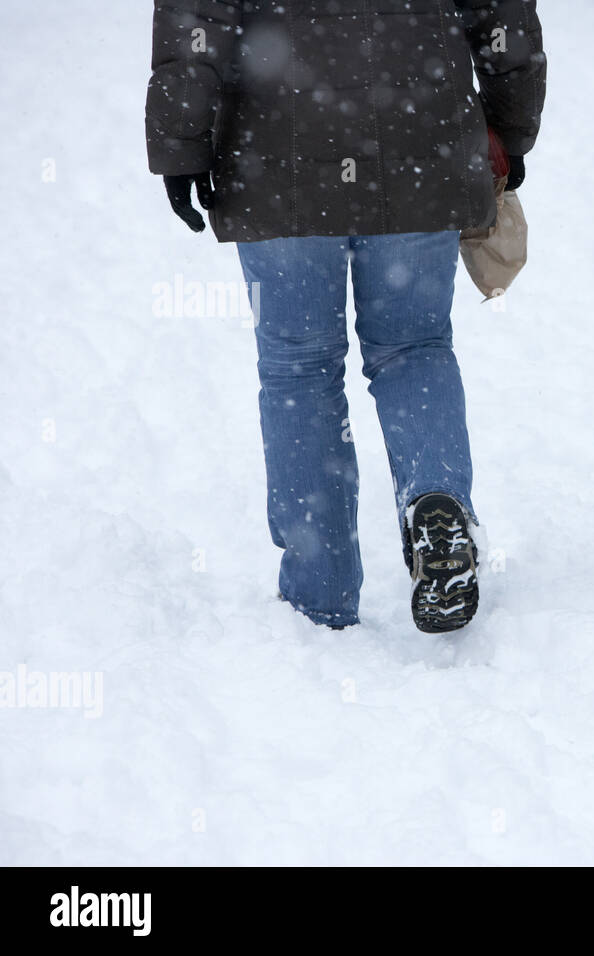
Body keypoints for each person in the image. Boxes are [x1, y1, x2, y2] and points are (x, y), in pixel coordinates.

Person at [146, 0, 546, 633]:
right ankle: (434, 502)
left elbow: (197, 15)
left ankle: (317, 603)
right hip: (422, 135)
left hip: (273, 147)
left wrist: (181, 141)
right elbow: (503, 15)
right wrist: (511, 125)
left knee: (299, 370)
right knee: (413, 348)